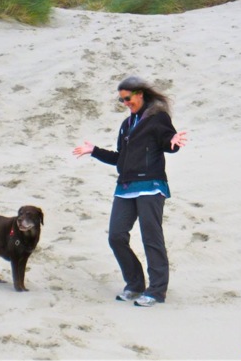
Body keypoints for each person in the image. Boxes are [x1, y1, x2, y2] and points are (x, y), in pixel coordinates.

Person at [73, 76, 187, 307]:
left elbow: (167, 142)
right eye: (121, 100)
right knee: (116, 236)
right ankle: (135, 284)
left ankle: (156, 290)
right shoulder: (127, 125)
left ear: (140, 94)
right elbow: (119, 159)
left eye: (128, 98)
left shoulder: (158, 118)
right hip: (125, 187)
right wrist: (93, 150)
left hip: (151, 186)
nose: (125, 103)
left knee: (151, 238)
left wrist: (172, 141)